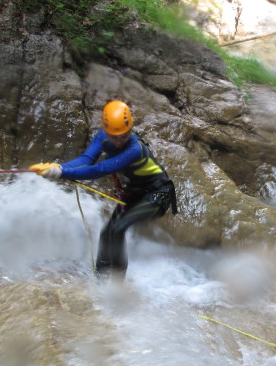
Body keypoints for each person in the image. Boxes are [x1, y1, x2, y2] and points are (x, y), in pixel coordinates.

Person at [30, 100, 177, 279]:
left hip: (159, 194)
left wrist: (61, 173)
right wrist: (58, 167)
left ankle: (117, 283)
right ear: (106, 131)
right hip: (137, 193)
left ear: (130, 130)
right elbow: (86, 159)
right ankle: (99, 278)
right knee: (107, 231)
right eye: (114, 136)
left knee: (118, 229)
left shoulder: (134, 149)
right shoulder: (102, 137)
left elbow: (100, 169)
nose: (119, 141)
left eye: (123, 135)